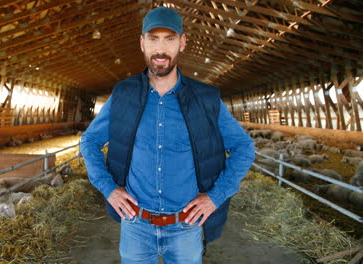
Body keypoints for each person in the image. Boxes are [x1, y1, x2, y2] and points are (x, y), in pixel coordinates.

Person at [80, 6, 255, 264]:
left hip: (186, 225)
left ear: (182, 43)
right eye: (153, 38)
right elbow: (90, 140)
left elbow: (244, 147)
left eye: (169, 39)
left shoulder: (205, 100)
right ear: (142, 43)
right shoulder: (123, 95)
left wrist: (215, 197)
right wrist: (109, 189)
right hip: (136, 224)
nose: (160, 49)